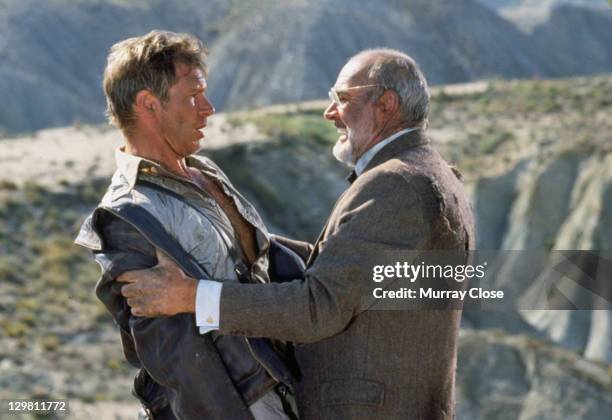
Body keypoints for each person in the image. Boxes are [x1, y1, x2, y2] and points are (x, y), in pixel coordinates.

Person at [119, 48, 475, 419]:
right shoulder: (431, 173)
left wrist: (191, 296)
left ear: (385, 105)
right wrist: (239, 236)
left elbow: (317, 308)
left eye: (342, 99)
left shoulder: (395, 183)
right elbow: (351, 273)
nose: (330, 112)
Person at [75, 30, 301, 420]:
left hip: (287, 382)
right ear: (149, 105)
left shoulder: (203, 170)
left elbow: (259, 262)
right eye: (193, 96)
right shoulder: (125, 215)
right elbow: (176, 357)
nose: (208, 108)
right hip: (242, 405)